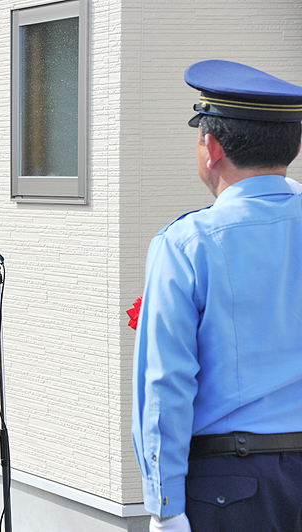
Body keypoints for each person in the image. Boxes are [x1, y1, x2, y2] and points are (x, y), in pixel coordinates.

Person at [131, 60, 302, 532]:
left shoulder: (188, 242)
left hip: (231, 485)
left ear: (211, 147)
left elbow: (165, 385)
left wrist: (164, 506)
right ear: (296, 145)